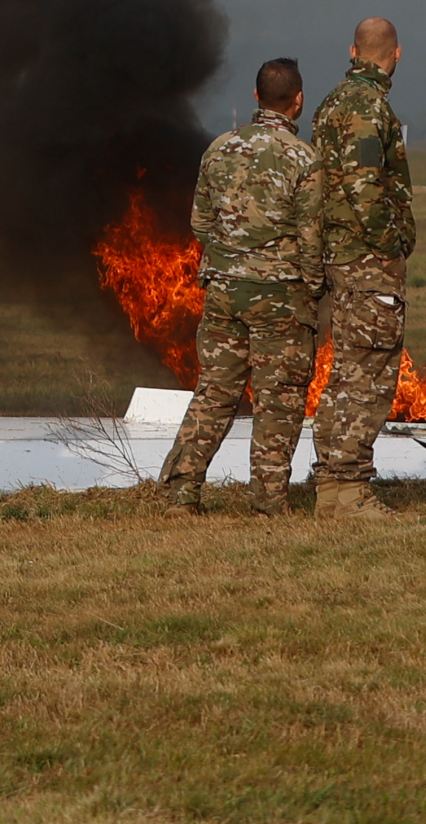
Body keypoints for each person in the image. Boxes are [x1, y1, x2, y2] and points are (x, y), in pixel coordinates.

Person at [162, 58, 321, 516]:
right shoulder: (305, 159)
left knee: (214, 393)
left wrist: (232, 259)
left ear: (255, 97)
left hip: (224, 293)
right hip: (280, 298)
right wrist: (309, 287)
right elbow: (312, 237)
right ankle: (269, 502)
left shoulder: (218, 149)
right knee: (279, 399)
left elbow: (200, 223)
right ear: (298, 101)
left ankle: (180, 493)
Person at [306, 16, 416, 520]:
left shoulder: (330, 104)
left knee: (345, 374)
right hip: (367, 263)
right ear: (395, 55)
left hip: (337, 257)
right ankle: (350, 491)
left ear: (354, 51)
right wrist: (390, 243)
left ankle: (331, 488)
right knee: (369, 377)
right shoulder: (370, 109)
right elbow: (366, 188)